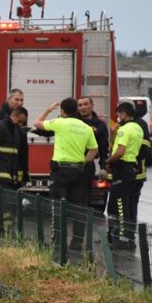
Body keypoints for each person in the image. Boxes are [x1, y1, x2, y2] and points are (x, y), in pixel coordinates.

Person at [33, 97, 98, 250]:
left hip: (61, 171)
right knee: (78, 207)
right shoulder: (86, 127)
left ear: (63, 111)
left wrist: (48, 110)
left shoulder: (60, 122)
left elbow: (37, 124)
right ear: (76, 109)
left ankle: (58, 241)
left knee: (57, 205)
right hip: (78, 171)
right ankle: (77, 242)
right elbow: (94, 150)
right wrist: (83, 162)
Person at [105, 101, 144, 249]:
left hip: (122, 168)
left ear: (124, 114)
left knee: (118, 204)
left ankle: (120, 238)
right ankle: (127, 237)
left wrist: (107, 162)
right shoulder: (138, 128)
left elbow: (120, 151)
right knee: (126, 203)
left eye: (118, 114)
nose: (118, 117)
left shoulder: (125, 129)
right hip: (131, 168)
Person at [0, 106, 29, 188]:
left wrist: (18, 177)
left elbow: (16, 156)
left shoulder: (15, 130)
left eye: (22, 123)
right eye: (19, 121)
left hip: (10, 179)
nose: (20, 124)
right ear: (14, 115)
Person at [129, 105, 152, 224]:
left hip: (137, 173)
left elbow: (145, 150)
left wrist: (132, 161)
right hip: (127, 173)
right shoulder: (124, 124)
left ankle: (129, 234)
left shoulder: (140, 124)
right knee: (125, 206)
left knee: (132, 205)